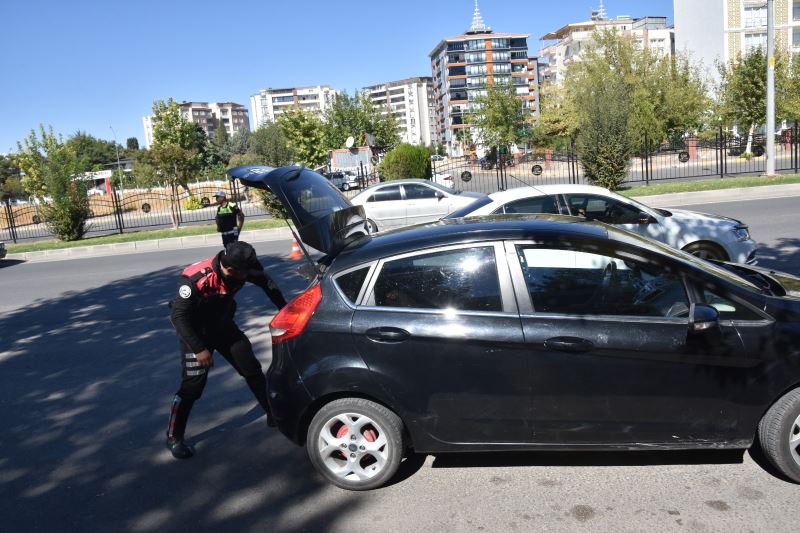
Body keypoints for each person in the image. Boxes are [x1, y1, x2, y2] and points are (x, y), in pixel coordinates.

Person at [165, 241, 287, 459]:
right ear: (230, 270)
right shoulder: (196, 279)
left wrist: (285, 310)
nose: (249, 276)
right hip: (195, 333)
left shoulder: (243, 266)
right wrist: (200, 349)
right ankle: (174, 436)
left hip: (223, 326)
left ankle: (272, 413)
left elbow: (265, 281)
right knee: (193, 386)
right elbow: (178, 317)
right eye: (245, 274)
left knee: (251, 368)